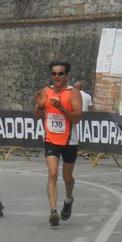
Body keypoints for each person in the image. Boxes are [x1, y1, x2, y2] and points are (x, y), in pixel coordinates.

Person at [34, 61, 82, 227]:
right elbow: (37, 116)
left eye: (60, 74)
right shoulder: (45, 92)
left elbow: (76, 117)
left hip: (69, 141)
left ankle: (68, 199)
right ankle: (53, 211)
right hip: (51, 139)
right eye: (54, 73)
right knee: (52, 173)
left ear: (66, 76)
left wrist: (62, 108)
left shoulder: (73, 93)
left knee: (67, 177)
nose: (56, 76)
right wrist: (40, 106)